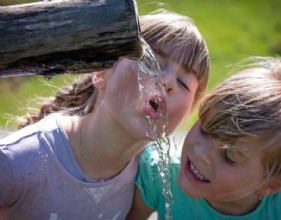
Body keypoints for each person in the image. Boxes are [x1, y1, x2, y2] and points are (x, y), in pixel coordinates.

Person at [0, 12, 210, 220]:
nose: (167, 82)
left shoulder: (149, 176)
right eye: (151, 62)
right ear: (101, 73)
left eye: (183, 82)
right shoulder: (17, 161)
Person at [128, 56, 281, 220]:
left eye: (229, 155)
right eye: (205, 130)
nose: (201, 152)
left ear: (271, 185)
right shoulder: (159, 175)